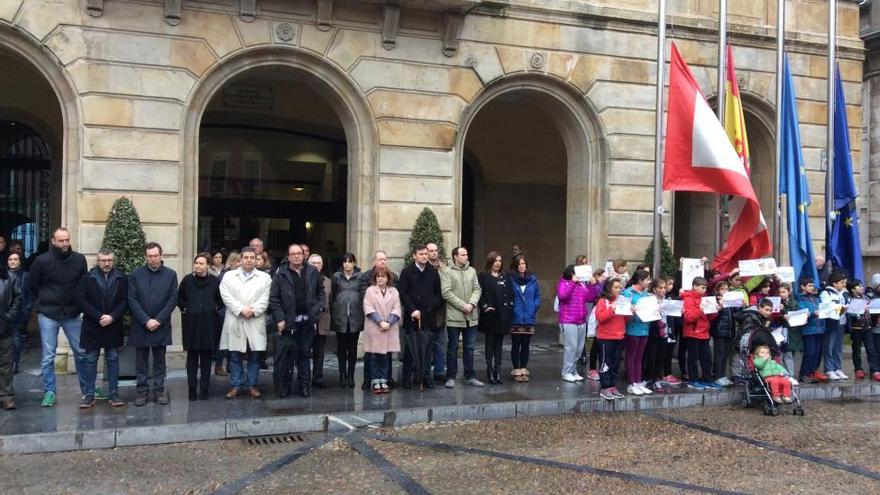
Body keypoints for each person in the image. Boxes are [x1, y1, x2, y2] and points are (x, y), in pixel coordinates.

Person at [29, 227, 88, 408]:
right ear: (53, 241)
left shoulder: (79, 259)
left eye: (67, 240)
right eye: (61, 240)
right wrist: (45, 301)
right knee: (48, 356)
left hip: (72, 313)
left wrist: (79, 304)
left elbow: (84, 283)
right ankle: (49, 391)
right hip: (48, 313)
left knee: (81, 353)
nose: (64, 244)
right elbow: (33, 286)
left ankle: (88, 390)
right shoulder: (41, 261)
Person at [270, 243, 324, 398]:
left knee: (304, 355)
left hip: (307, 321)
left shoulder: (312, 271)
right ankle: (285, 387)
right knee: (287, 357)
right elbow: (274, 298)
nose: (296, 256)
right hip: (288, 323)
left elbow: (320, 291)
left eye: (299, 253)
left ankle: (304, 386)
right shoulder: (281, 274)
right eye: (292, 253)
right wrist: (280, 318)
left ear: (303, 255)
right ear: (288, 256)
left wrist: (317, 308)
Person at [128, 242, 178, 406]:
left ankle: (159, 391)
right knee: (141, 361)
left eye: (155, 256)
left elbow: (172, 300)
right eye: (149, 256)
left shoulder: (170, 275)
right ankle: (141, 392)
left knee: (159, 361)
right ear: (146, 257)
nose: (153, 259)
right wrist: (146, 320)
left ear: (161, 255)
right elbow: (132, 299)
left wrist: (158, 320)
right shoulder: (136, 274)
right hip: (141, 325)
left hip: (161, 325)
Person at [76, 249, 127, 408]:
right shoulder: (87, 278)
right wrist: (99, 316)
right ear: (98, 261)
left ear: (113, 261)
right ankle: (89, 395)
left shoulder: (122, 278)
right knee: (90, 360)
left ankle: (114, 394)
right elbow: (81, 301)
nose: (106, 263)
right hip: (93, 325)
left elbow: (125, 301)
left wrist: (112, 316)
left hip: (113, 324)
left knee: (113, 359)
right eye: (103, 260)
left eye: (109, 260)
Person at [220, 247, 272, 399]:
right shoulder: (228, 276)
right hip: (236, 318)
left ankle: (252, 385)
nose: (249, 260)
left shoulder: (265, 278)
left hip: (255, 320)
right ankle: (236, 385)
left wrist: (253, 310)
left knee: (255, 355)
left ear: (256, 260)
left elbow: (266, 298)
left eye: (252, 257)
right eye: (246, 257)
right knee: (235, 355)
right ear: (240, 259)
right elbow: (226, 296)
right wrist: (241, 309)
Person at [178, 252, 223, 401]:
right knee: (191, 359)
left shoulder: (215, 281)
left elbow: (221, 299)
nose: (198, 266)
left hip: (209, 325)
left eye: (201, 263)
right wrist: (186, 309)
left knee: (206, 359)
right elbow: (180, 298)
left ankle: (204, 389)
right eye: (196, 263)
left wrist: (214, 308)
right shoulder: (187, 280)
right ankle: (192, 389)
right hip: (191, 324)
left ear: (208, 265)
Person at [398, 244, 442, 389]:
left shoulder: (433, 272)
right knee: (411, 348)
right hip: (413, 316)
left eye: (425, 254)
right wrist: (412, 310)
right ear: (414, 256)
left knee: (427, 348)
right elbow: (403, 293)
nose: (424, 256)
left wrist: (429, 309)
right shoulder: (406, 272)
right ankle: (406, 378)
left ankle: (425, 377)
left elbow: (438, 294)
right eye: (421, 254)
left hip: (428, 316)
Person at [441, 246, 483, 388]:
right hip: (455, 316)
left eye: (466, 254)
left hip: (471, 316)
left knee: (469, 347)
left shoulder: (472, 271)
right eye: (463, 254)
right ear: (455, 257)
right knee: (452, 347)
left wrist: (471, 304)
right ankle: (451, 377)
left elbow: (477, 289)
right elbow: (446, 292)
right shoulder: (447, 272)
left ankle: (470, 376)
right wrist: (462, 305)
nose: (466, 256)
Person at [359, 250, 398, 388]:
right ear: (374, 261)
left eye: (384, 259)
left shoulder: (393, 278)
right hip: (374, 324)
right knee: (372, 354)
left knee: (387, 353)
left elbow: (396, 305)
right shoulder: (366, 278)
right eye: (380, 259)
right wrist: (379, 320)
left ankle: (387, 378)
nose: (383, 262)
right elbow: (366, 301)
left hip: (388, 324)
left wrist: (388, 322)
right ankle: (369, 379)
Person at [557, 264, 599, 382]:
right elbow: (563, 296)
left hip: (581, 320)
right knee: (571, 347)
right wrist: (572, 283)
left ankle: (573, 369)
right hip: (568, 320)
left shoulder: (582, 284)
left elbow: (590, 298)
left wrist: (592, 285)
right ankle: (566, 371)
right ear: (571, 274)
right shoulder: (564, 282)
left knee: (579, 348)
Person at [477, 251, 512, 385]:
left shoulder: (505, 276)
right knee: (489, 343)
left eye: (500, 261)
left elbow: (510, 294)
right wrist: (485, 306)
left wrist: (509, 308)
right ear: (490, 262)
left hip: (502, 315)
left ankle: (498, 370)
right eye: (496, 260)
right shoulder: (483, 276)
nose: (498, 263)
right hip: (490, 315)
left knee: (499, 344)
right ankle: (489, 370)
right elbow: (479, 293)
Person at [330, 252, 363, 389]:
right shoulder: (336, 277)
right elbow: (332, 296)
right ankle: (342, 375)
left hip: (355, 317)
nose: (347, 264)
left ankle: (351, 375)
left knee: (353, 348)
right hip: (340, 316)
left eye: (350, 261)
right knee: (341, 349)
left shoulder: (360, 277)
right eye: (345, 261)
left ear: (354, 263)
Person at [681, 277, 720, 390]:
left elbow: (709, 317)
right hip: (692, 332)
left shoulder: (704, 298)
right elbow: (689, 317)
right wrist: (701, 309)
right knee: (693, 357)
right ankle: (693, 380)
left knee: (706, 357)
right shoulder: (688, 298)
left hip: (703, 332)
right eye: (702, 288)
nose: (704, 290)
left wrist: (715, 310)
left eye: (705, 288)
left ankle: (708, 379)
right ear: (695, 287)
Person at [594, 278, 627, 400]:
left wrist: (630, 311)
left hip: (619, 336)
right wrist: (611, 310)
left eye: (620, 287)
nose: (618, 290)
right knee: (605, 363)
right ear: (609, 288)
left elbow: (624, 319)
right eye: (616, 287)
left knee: (615, 362)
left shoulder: (622, 301)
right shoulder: (603, 301)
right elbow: (600, 318)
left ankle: (612, 386)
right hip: (605, 337)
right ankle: (605, 387)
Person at [509, 255, 540, 382]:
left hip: (529, 316)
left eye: (524, 264)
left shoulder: (532, 279)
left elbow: (537, 295)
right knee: (516, 344)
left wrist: (534, 307)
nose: (522, 266)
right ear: (516, 266)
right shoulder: (510, 279)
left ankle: (523, 368)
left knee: (526, 345)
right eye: (520, 264)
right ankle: (516, 370)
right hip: (515, 316)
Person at [621, 269, 653, 395]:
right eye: (647, 279)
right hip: (632, 329)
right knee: (631, 355)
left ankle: (638, 381)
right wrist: (630, 310)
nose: (649, 282)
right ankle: (632, 382)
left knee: (639, 357)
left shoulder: (646, 295)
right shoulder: (628, 293)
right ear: (640, 280)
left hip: (644, 328)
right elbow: (623, 309)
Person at [213, 251, 240, 377]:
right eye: (238, 261)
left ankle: (230, 365)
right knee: (222, 341)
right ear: (233, 261)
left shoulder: (239, 275)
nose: (241, 263)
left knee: (234, 341)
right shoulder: (225, 275)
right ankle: (219, 365)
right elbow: (219, 295)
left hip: (237, 312)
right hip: (225, 312)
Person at [308, 253, 332, 389]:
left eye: (318, 263)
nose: (316, 265)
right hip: (307, 322)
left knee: (319, 352)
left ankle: (317, 378)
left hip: (322, 321)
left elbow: (331, 300)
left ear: (322, 265)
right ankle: (304, 378)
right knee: (305, 351)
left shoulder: (328, 281)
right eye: (313, 263)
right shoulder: (303, 278)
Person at [796, 277, 826, 383]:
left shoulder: (815, 298)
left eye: (813, 285)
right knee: (810, 352)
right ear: (802, 287)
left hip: (819, 327)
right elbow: (802, 310)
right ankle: (804, 373)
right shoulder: (800, 298)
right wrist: (813, 313)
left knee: (817, 352)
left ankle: (812, 372)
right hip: (809, 329)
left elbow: (822, 308)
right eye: (809, 285)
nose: (812, 287)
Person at [0, 260, 21, 410]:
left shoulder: (9, 276)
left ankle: (6, 396)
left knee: (6, 363)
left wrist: (9, 316)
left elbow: (17, 297)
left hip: (3, 325)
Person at [820, 272, 849, 380]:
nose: (843, 285)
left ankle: (838, 368)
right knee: (829, 347)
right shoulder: (826, 293)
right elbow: (827, 307)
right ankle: (829, 369)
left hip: (842, 322)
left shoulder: (843, 293)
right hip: (831, 323)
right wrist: (841, 308)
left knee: (838, 348)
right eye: (841, 283)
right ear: (834, 283)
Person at [710, 281, 739, 387]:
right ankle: (717, 376)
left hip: (730, 331)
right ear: (717, 291)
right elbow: (712, 315)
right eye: (722, 289)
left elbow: (737, 313)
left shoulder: (731, 301)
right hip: (720, 330)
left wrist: (741, 305)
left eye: (726, 289)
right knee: (719, 354)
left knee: (725, 354)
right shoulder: (715, 300)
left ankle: (722, 375)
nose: (725, 291)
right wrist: (720, 305)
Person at [7, 252, 32, 374]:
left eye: (15, 259)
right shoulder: (4, 275)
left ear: (20, 261)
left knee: (16, 339)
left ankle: (15, 363)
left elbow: (29, 294)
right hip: (4, 312)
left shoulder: (25, 276)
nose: (13, 261)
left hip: (18, 312)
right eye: (10, 259)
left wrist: (27, 309)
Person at [643, 278, 669, 391]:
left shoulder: (667, 300)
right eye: (660, 288)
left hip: (665, 332)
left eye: (664, 288)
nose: (663, 290)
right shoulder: (650, 299)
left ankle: (657, 378)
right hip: (653, 332)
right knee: (651, 357)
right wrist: (655, 309)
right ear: (654, 289)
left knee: (661, 357)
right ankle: (649, 379)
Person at [426, 242, 447, 382]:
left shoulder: (444, 267)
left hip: (440, 312)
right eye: (431, 251)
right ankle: (425, 371)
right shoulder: (423, 267)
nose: (434, 253)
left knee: (440, 343)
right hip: (426, 311)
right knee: (426, 344)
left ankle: (439, 371)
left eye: (435, 250)